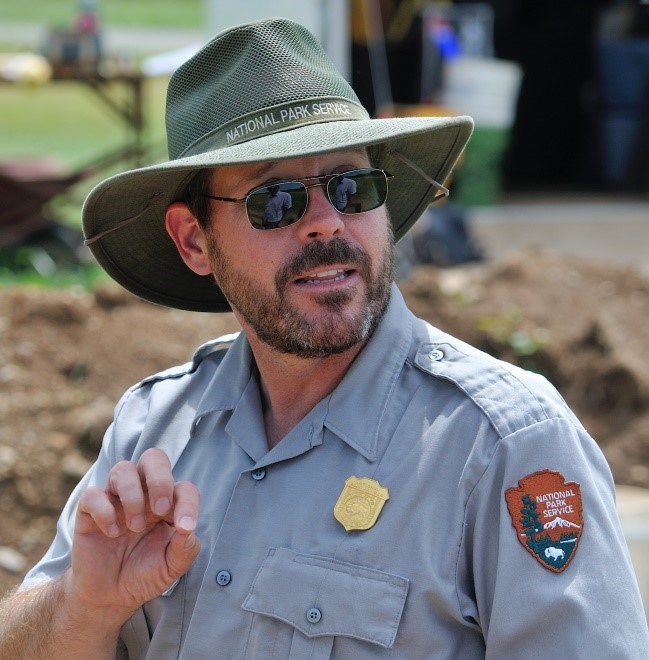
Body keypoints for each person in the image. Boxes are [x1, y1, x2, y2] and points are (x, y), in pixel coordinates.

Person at [1, 17, 647, 659]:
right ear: (194, 240)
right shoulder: (151, 430)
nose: (325, 223)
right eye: (275, 200)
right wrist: (86, 603)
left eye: (351, 187)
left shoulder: (502, 444)